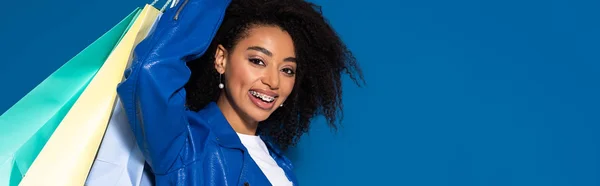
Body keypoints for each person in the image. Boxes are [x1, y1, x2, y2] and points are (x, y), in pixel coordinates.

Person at [117, 0, 364, 185]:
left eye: (287, 69)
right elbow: (152, 72)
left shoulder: (280, 165)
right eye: (257, 61)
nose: (273, 81)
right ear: (221, 59)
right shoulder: (185, 145)